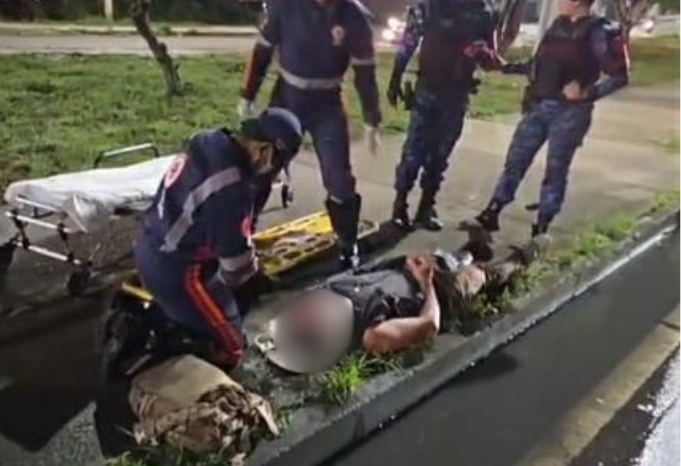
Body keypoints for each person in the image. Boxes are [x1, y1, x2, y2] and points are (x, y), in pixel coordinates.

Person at [133, 108, 303, 371]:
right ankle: (179, 363)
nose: (273, 172)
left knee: (221, 298)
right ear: (265, 150)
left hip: (152, 239)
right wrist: (253, 279)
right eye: (277, 164)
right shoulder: (230, 190)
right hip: (175, 269)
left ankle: (181, 317)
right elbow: (237, 271)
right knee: (232, 346)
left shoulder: (211, 139)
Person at [259, 232, 546, 373]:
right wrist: (427, 283)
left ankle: (469, 251)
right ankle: (520, 260)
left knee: (445, 257)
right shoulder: (373, 336)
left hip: (404, 271)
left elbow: (363, 274)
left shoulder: (320, 297)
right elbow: (429, 325)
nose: (307, 314)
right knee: (479, 276)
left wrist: (404, 263)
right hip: (435, 294)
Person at [238, 0, 382, 270]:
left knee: (339, 178)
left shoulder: (354, 16)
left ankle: (347, 242)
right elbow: (263, 50)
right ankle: (241, 234)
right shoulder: (286, 5)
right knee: (261, 167)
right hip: (287, 98)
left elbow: (365, 71)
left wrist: (372, 118)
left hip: (327, 103)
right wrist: (248, 93)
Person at [468, 0, 630, 237]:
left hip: (569, 113)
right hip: (539, 105)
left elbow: (621, 76)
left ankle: (542, 226)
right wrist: (505, 68)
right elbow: (538, 66)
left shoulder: (600, 31)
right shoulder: (558, 25)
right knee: (515, 160)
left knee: (556, 170)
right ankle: (493, 211)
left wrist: (587, 93)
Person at [387, 0, 501, 231]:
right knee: (413, 153)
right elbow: (408, 42)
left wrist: (484, 54)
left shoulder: (485, 11)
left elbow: (492, 57)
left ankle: (426, 207)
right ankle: (400, 206)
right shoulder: (429, 7)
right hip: (427, 91)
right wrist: (396, 77)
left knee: (440, 156)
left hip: (457, 94)